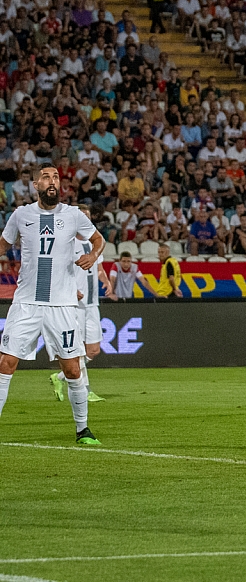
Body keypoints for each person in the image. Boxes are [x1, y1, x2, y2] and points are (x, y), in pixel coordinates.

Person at [0, 166, 106, 446]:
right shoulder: (21, 215)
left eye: (56, 177)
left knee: (72, 369)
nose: (52, 181)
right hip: (26, 303)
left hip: (62, 306)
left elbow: (98, 239)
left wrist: (94, 255)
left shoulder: (72, 215)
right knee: (5, 363)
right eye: (46, 177)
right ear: (36, 184)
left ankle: (83, 430)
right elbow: (2, 244)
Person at [52, 238, 115, 404]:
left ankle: (59, 377)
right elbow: (59, 271)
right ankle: (86, 390)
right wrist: (71, 289)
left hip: (92, 304)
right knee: (78, 349)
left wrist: (106, 281)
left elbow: (99, 269)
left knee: (93, 350)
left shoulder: (94, 244)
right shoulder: (68, 243)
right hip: (75, 305)